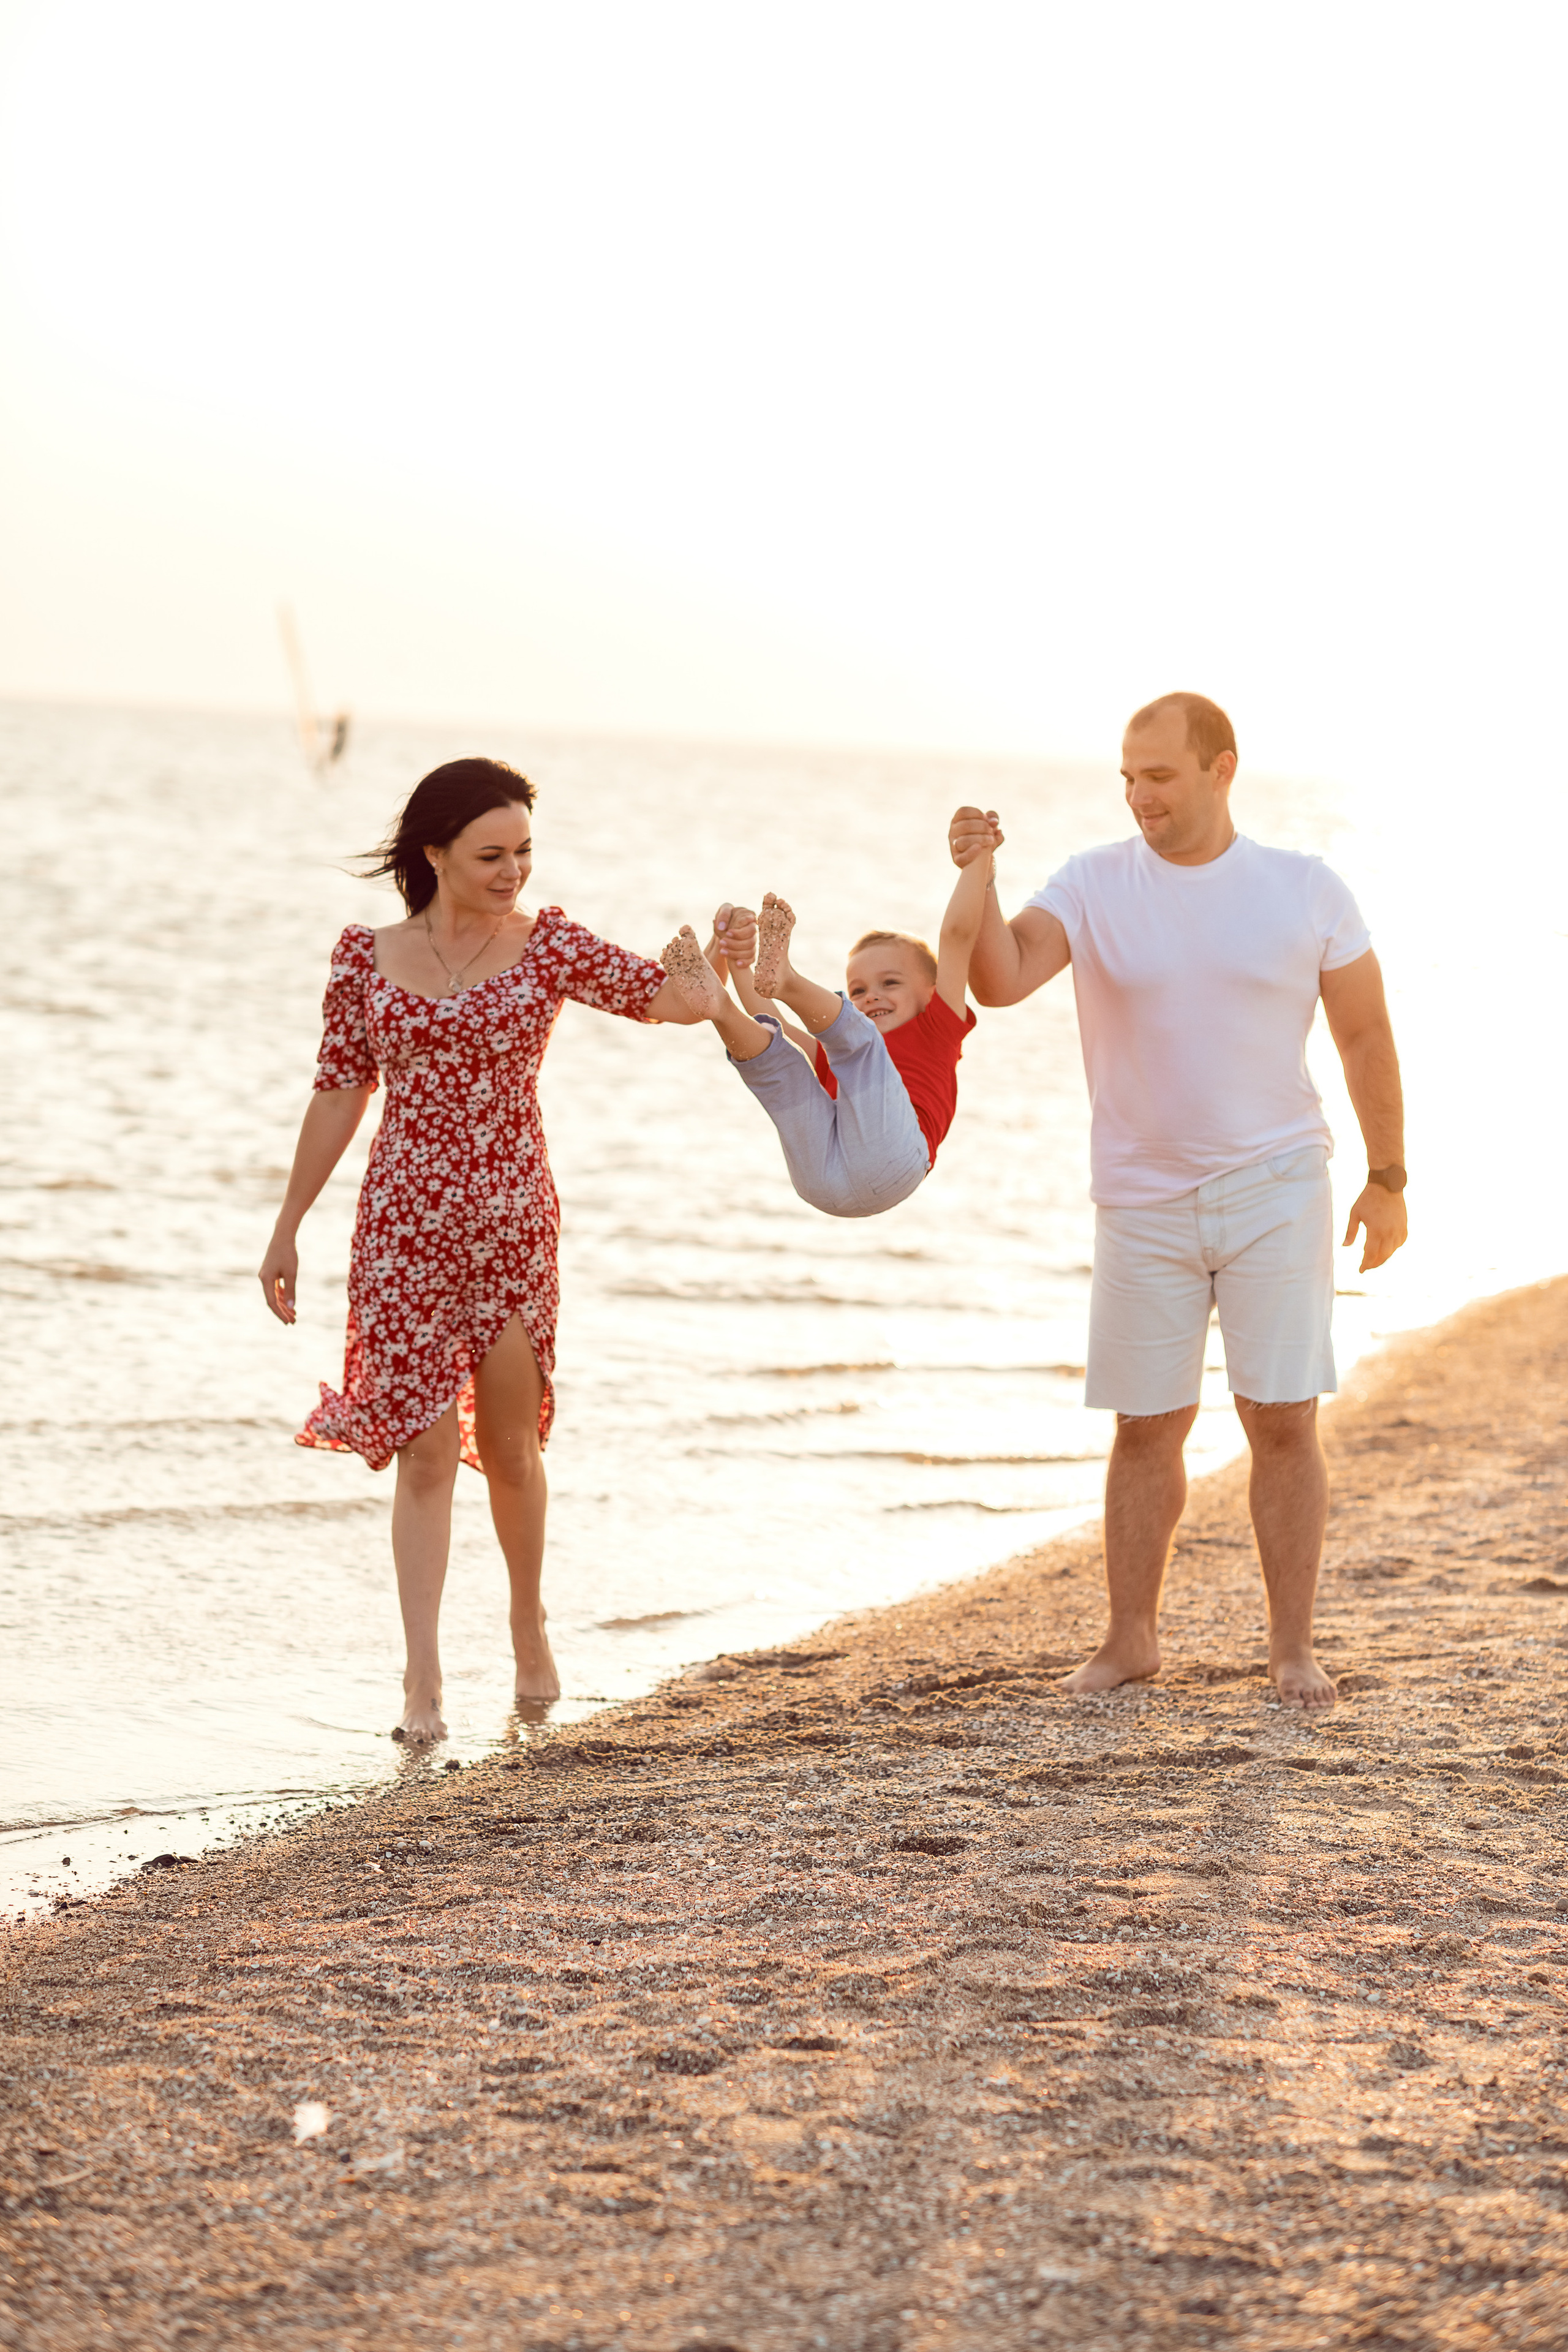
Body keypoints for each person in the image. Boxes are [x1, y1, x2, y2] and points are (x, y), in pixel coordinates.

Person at [955, 692, 1407, 1711]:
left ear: (1221, 769)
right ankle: (1130, 1642)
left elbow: (1366, 1038)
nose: (1137, 795)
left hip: (1278, 1182)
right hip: (1141, 1197)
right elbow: (1000, 976)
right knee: (1144, 1427)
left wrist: (1389, 1178)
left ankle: (1292, 1651)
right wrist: (977, 876)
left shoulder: (1306, 889)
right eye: (1126, 775)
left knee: (1283, 1419)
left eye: (1157, 774)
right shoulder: (1091, 884)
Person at [257, 757, 703, 1744]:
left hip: (509, 1220)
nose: (513, 872)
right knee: (422, 1453)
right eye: (492, 854)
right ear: (435, 853)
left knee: (507, 1447)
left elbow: (661, 1000)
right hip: (403, 1225)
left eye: (525, 853)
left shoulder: (547, 947)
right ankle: (422, 1680)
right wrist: (287, 1225)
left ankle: (527, 1623)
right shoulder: (363, 958)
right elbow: (340, 1090)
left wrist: (709, 982)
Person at [660, 836, 988, 1214]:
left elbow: (957, 936)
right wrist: (739, 962)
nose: (870, 997)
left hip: (897, 1161)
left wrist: (979, 858)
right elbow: (774, 1018)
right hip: (821, 1183)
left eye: (890, 983)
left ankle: (789, 980)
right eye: (858, 990)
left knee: (859, 1042)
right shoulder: (834, 1055)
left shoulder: (938, 1026)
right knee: (779, 1065)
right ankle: (719, 1009)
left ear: (930, 995)